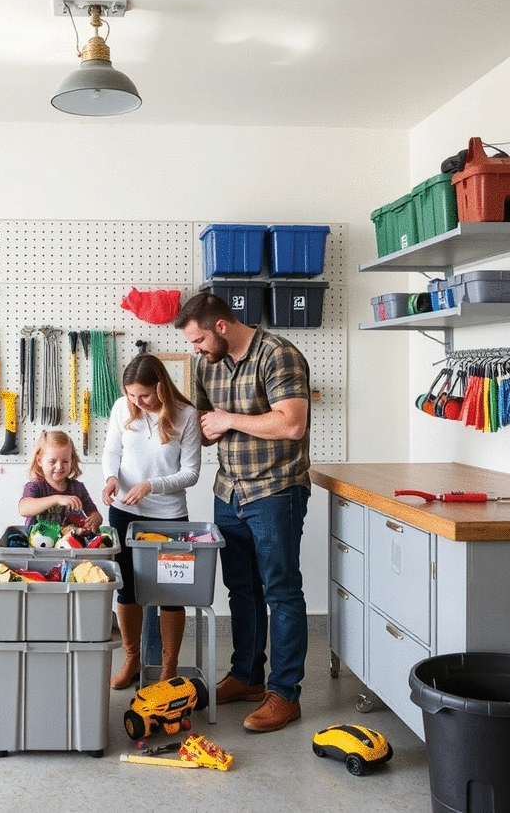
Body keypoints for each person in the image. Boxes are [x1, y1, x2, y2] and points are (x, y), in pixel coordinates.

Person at [175, 292, 311, 733]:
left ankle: (285, 693)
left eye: (197, 340)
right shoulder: (205, 364)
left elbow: (291, 423)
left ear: (220, 326)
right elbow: (204, 426)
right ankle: (248, 677)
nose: (194, 349)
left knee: (281, 590)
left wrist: (230, 419)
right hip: (228, 491)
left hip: (275, 491)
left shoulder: (278, 355)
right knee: (241, 589)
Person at [101, 354, 202, 689]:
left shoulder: (186, 415)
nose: (137, 402)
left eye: (143, 395)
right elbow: (111, 453)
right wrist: (111, 479)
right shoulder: (121, 409)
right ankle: (132, 659)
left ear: (160, 386)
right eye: (131, 395)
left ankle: (168, 667)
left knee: (171, 593)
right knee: (127, 590)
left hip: (169, 516)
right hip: (124, 512)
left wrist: (150, 486)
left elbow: (191, 473)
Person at [19, 430, 102, 531]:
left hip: (70, 543)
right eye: (52, 461)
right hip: (38, 544)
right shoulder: (34, 486)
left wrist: (94, 520)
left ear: (72, 461)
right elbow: (23, 509)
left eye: (65, 461)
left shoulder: (78, 488)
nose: (59, 467)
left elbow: (95, 514)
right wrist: (57, 499)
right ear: (39, 461)